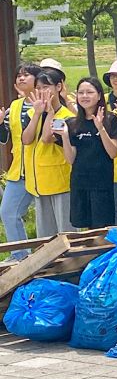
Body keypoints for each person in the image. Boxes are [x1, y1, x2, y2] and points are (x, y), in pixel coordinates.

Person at [56, 78, 117, 230]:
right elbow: (70, 159)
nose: (84, 96)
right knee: (84, 228)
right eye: (81, 93)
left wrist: (100, 128)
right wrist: (65, 136)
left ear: (99, 95)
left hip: (102, 183)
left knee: (102, 229)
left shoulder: (110, 119)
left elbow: (113, 153)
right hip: (79, 183)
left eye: (89, 92)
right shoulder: (72, 123)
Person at [21, 67, 76, 236]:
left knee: (66, 232)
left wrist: (50, 113)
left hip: (60, 182)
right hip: (39, 182)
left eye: (46, 87)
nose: (42, 92)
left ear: (58, 87)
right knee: (45, 235)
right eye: (38, 88)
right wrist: (37, 114)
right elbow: (26, 139)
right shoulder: (32, 112)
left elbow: (47, 138)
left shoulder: (66, 116)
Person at [0, 64, 42, 262]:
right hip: (19, 170)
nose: (21, 78)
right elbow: (4, 138)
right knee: (8, 211)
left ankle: (52, 256)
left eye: (26, 75)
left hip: (42, 169)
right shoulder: (14, 106)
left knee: (47, 219)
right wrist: (1, 124)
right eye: (19, 75)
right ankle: (20, 255)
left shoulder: (46, 103)